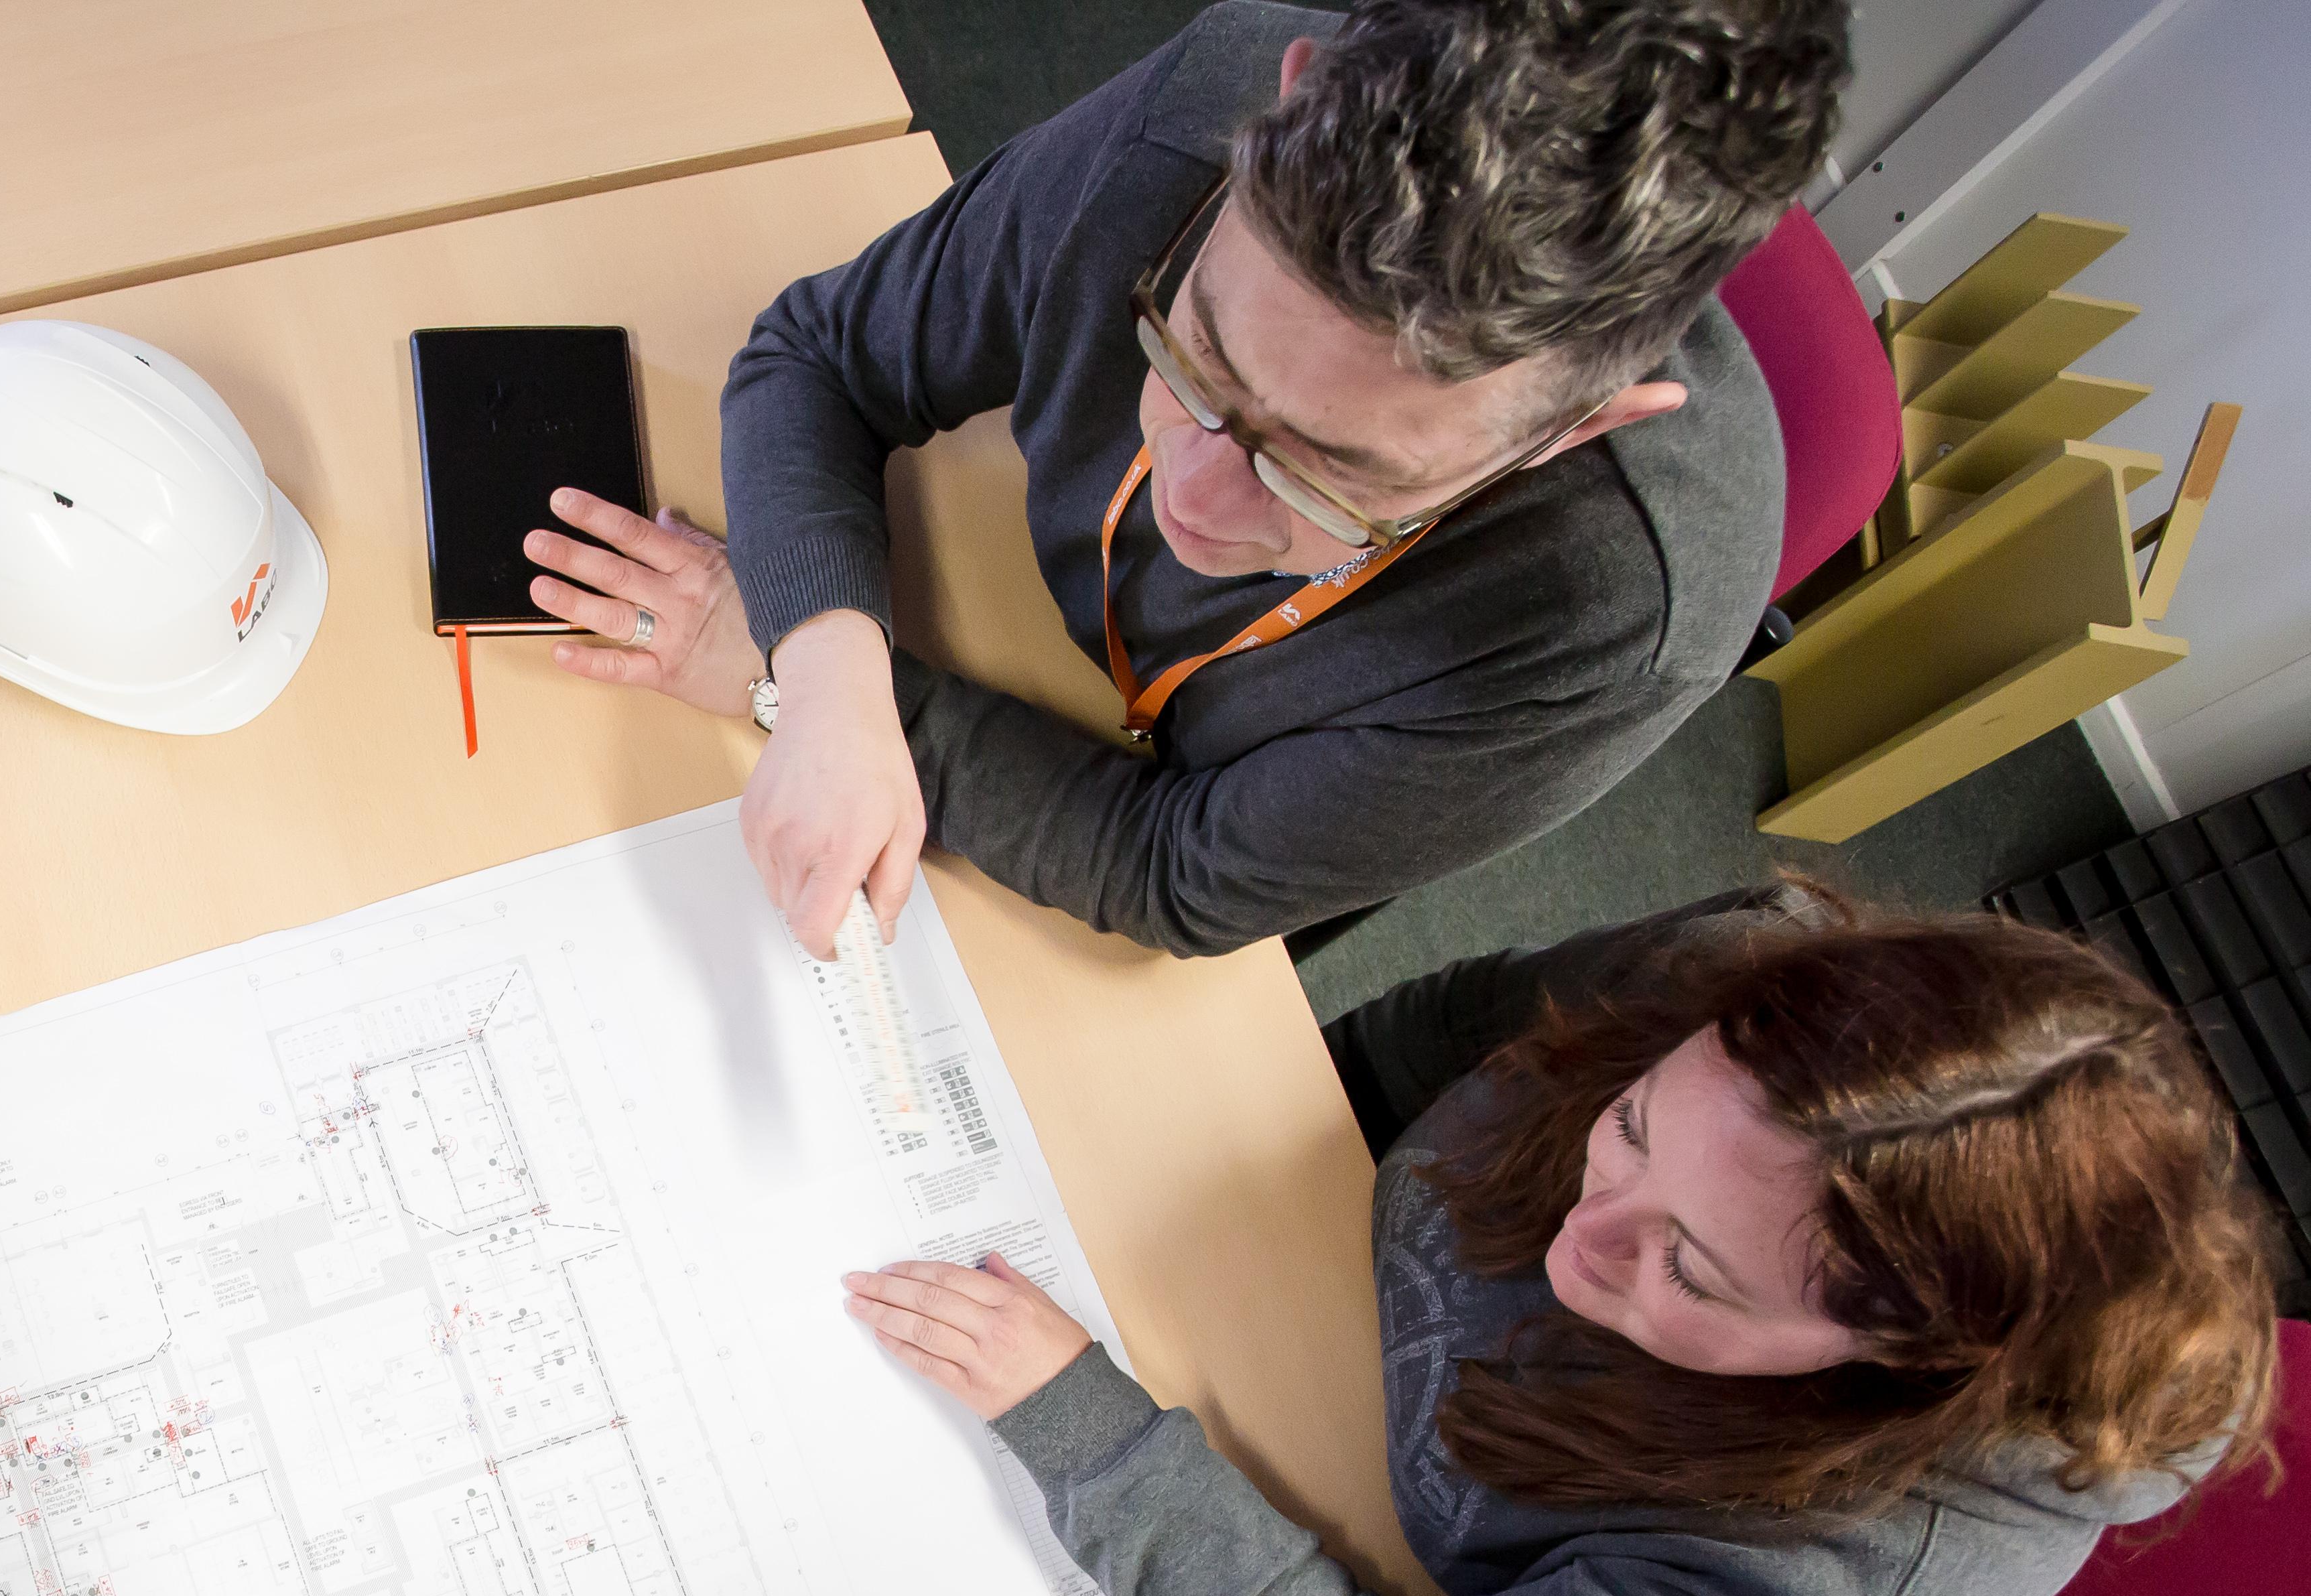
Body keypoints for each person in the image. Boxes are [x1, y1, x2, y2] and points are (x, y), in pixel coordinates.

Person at [845, 886, 2288, 1596]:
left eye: (1694, 1272)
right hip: (1257, 1302)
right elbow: (1459, 1032)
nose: (1588, 1235)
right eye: (1638, 1130)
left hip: (1327, 1580)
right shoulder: (1743, 970)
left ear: (1896, 1368)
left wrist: (1085, 1433)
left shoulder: (1826, 1590)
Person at [517, 0, 1847, 958]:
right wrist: (821, 675)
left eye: (1332, 476)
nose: (1194, 501)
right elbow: (817, 351)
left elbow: (1178, 874)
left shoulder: (1626, 614)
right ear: (1285, 90)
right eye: (1192, 351)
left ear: (1580, 428)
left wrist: (778, 670)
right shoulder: (1190, 123)